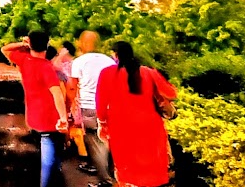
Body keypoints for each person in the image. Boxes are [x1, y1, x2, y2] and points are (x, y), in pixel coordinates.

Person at [96, 41, 177, 187]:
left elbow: (100, 102)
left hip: (121, 127)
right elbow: (171, 93)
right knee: (151, 168)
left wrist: (102, 123)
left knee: (127, 168)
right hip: (150, 125)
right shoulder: (148, 72)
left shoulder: (107, 73)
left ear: (116, 55)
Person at [3, 31, 70, 187]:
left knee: (50, 148)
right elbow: (57, 94)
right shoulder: (46, 67)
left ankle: (54, 175)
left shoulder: (24, 60)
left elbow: (5, 50)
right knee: (48, 156)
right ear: (47, 44)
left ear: (30, 43)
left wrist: (23, 44)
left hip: (33, 116)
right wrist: (63, 118)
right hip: (49, 117)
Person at [69, 31, 116, 186]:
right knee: (108, 142)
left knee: (95, 144)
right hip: (110, 107)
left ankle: (105, 181)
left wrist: (72, 106)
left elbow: (72, 87)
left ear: (83, 43)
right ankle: (113, 175)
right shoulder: (109, 61)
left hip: (88, 107)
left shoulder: (79, 61)